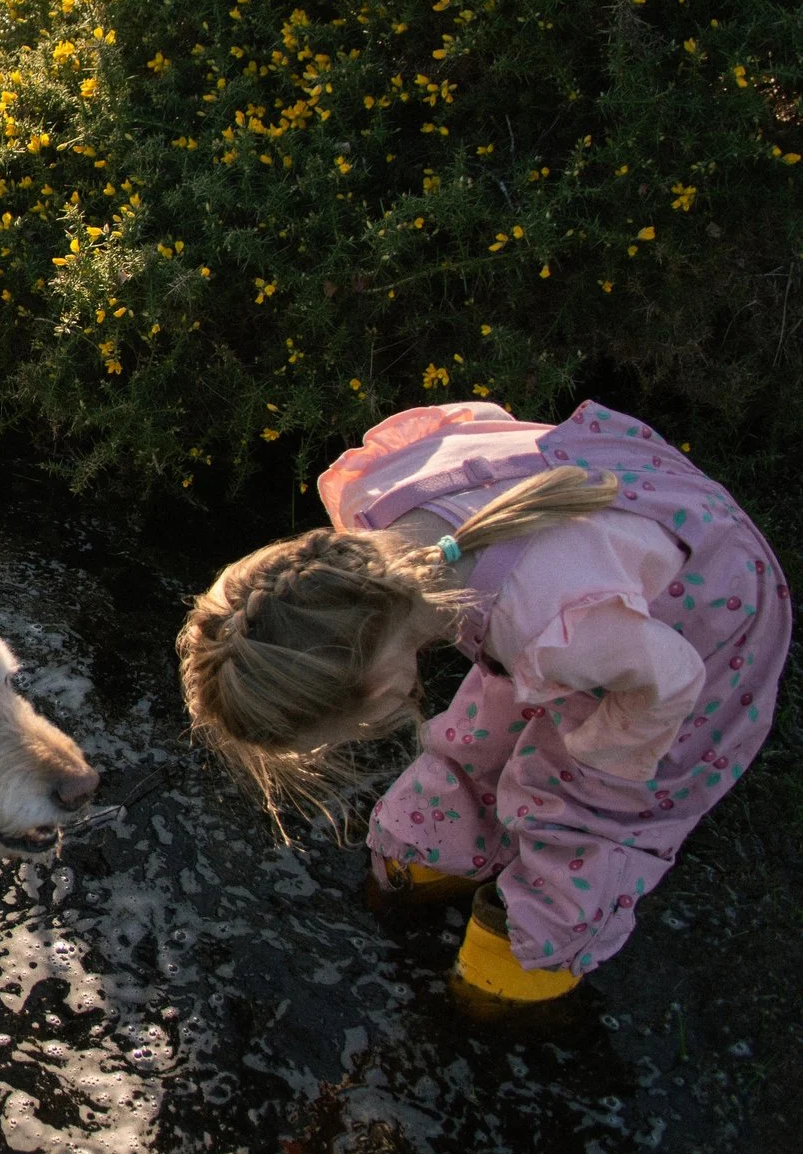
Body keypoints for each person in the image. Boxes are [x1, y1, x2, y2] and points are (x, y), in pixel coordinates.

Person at [174, 400, 788, 1014]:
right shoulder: (381, 523)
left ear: (380, 691)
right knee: (490, 725)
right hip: (592, 550)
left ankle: (525, 962)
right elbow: (481, 430)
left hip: (702, 608)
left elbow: (673, 677)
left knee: (594, 810)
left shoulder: (550, 623)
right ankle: (435, 852)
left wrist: (601, 755)